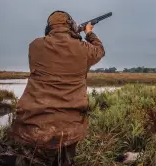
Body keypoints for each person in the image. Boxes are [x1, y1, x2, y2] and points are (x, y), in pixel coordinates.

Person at [7, 10, 105, 166]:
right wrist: (88, 33)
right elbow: (99, 51)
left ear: (49, 27)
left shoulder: (35, 46)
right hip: (69, 129)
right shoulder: (84, 48)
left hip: (33, 125)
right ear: (71, 25)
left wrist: (74, 33)